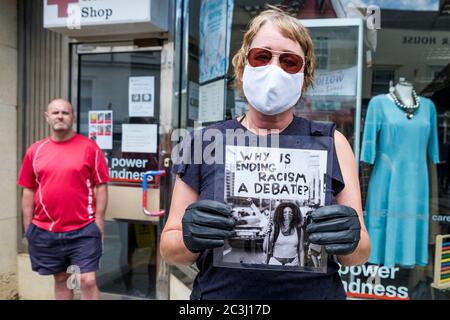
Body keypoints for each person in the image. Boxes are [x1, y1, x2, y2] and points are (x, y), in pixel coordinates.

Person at [160, 7, 370, 299]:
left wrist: (350, 240)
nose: (275, 69)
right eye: (262, 56)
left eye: (289, 61)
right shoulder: (204, 142)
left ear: (304, 74)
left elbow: (359, 254)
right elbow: (170, 250)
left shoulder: (332, 142)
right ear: (244, 66)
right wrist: (188, 238)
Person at [17, 99, 110, 300]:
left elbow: (101, 185)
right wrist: (28, 226)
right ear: (47, 117)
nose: (60, 116)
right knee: (61, 278)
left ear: (73, 117)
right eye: (55, 112)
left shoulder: (89, 148)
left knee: (87, 280)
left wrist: (99, 220)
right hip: (46, 230)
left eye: (65, 113)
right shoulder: (35, 151)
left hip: (84, 228)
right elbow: (28, 190)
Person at [263, 202, 305, 266]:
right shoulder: (275, 228)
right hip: (275, 263)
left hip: (293, 264)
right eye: (285, 212)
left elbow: (301, 250)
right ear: (280, 214)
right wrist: (267, 235)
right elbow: (266, 248)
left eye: (290, 212)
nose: (287, 214)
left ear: (294, 215)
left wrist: (302, 267)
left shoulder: (299, 230)